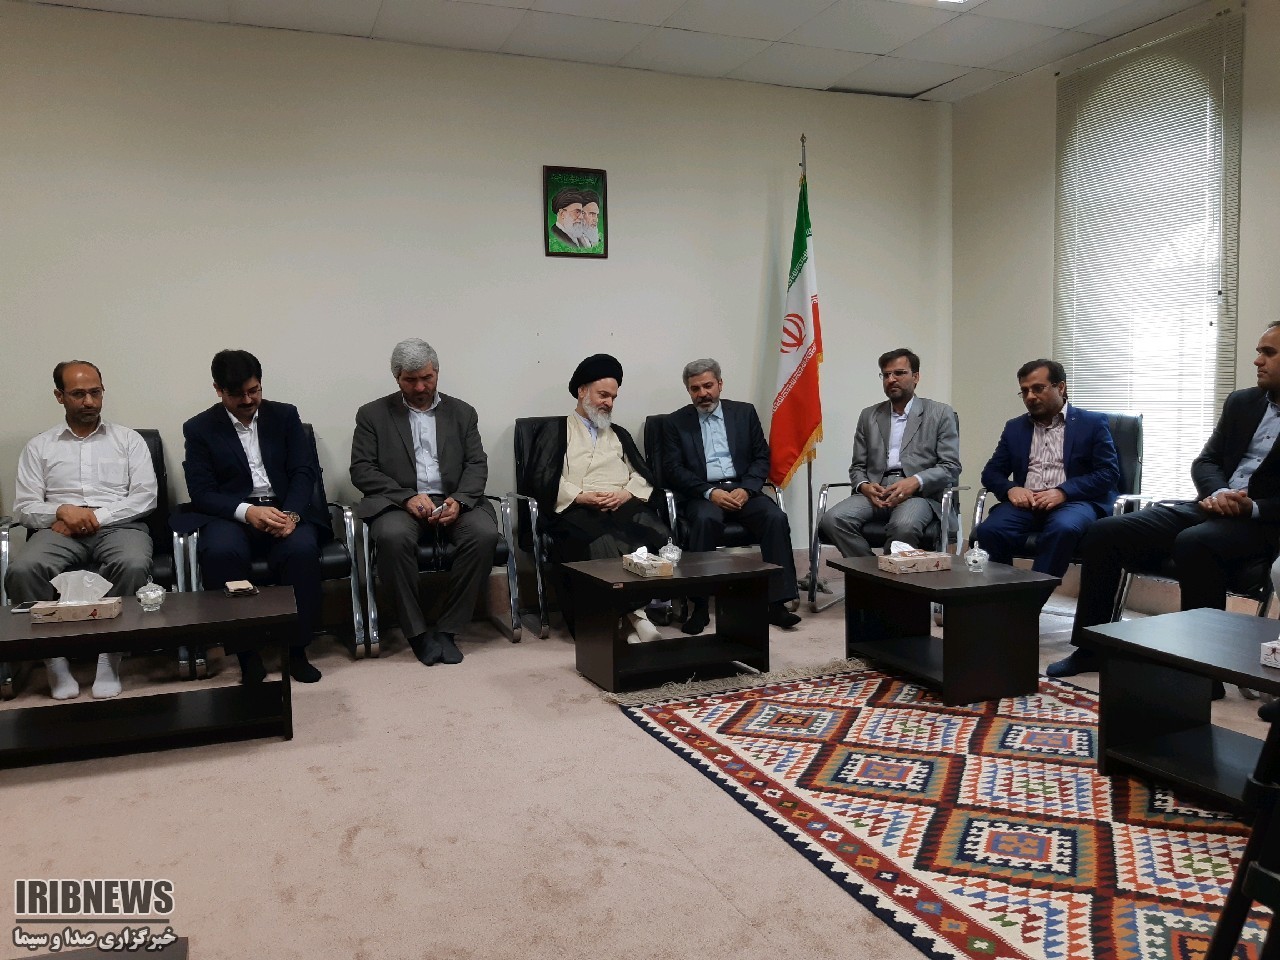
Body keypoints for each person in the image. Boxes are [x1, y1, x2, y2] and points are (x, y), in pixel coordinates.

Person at [1049, 322, 1280, 679]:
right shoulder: (1242, 402)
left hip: (1262, 523)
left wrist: (1252, 506)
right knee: (1104, 532)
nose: (1257, 360)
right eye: (1259, 351)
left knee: (1195, 542)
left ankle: (1203, 672)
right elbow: (1206, 461)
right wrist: (1219, 492)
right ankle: (1092, 648)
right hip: (1211, 505)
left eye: (1268, 353)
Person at [5, 361, 157, 700]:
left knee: (132, 564)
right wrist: (62, 511)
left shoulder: (128, 440)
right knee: (23, 570)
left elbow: (145, 497)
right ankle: (54, 661)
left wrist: (92, 517)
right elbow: (24, 507)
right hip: (58, 530)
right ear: (59, 396)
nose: (89, 401)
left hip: (119, 525)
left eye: (95, 392)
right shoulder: (40, 446)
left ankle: (109, 658)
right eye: (78, 394)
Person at [174, 350, 327, 684]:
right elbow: (202, 492)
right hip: (232, 513)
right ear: (218, 390)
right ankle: (247, 654)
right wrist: (248, 512)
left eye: (253, 391)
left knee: (301, 551)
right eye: (237, 394)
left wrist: (292, 514)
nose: (247, 400)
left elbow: (303, 472)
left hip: (283, 507)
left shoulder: (285, 416)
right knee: (220, 553)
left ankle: (296, 650)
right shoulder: (199, 428)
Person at [350, 338, 499, 667]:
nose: (420, 387)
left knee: (484, 534)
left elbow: (476, 464)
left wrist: (460, 500)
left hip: (453, 500)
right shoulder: (372, 414)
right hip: (398, 503)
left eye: (427, 378)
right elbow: (362, 469)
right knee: (392, 537)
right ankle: (416, 632)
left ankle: (448, 629)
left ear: (437, 373)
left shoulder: (462, 413)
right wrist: (405, 496)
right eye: (410, 380)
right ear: (397, 378)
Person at [524, 353, 671, 640]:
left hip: (621, 503)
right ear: (582, 391)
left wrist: (626, 493)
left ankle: (633, 618)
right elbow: (542, 478)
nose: (609, 403)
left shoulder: (619, 433)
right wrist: (580, 497)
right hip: (575, 508)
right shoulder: (555, 430)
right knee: (601, 542)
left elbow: (643, 474)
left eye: (613, 397)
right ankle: (631, 619)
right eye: (603, 395)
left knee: (658, 533)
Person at [661, 358, 800, 634]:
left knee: (775, 517)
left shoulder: (744, 413)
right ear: (688, 391)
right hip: (703, 493)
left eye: (708, 385)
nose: (703, 393)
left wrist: (747, 489)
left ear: (720, 384)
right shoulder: (675, 422)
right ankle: (700, 607)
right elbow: (673, 469)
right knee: (705, 521)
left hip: (742, 489)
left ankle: (777, 604)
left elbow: (761, 456)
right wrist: (709, 492)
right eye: (695, 388)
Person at [970, 359, 1119, 579]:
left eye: (1038, 388)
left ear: (1061, 387)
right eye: (1024, 391)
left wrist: (1063, 492)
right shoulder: (1015, 427)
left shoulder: (1092, 423)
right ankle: (1003, 594)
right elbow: (991, 473)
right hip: (1027, 503)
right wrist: (1011, 489)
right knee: (989, 531)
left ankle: (1032, 596)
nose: (1030, 396)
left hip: (1074, 502)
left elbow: (1108, 473)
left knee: (1063, 528)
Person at [817, 349, 961, 558]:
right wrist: (864, 486)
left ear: (916, 377)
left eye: (899, 373)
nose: (891, 379)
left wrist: (915, 481)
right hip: (876, 492)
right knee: (833, 520)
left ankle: (885, 576)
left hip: (918, 494)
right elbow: (857, 467)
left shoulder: (939, 413)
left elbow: (950, 467)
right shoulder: (869, 416)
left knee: (903, 526)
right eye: (886, 375)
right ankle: (869, 572)